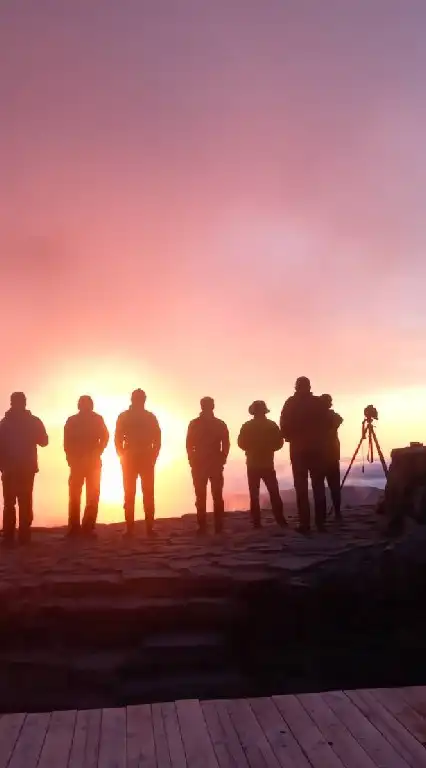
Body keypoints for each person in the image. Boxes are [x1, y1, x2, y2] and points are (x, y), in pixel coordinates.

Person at [280, 377, 327, 533]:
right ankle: (321, 523)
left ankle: (305, 524)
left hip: (298, 450)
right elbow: (328, 423)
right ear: (309, 387)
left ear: (296, 387)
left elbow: (284, 425)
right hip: (317, 449)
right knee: (318, 486)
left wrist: (291, 437)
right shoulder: (318, 403)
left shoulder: (291, 403)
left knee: (301, 487)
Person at [0, 392, 48, 545]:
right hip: (23, 468)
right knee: (23, 501)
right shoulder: (32, 421)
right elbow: (44, 441)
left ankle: (10, 536)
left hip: (12, 468)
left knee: (11, 502)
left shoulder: (4, 424)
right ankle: (23, 536)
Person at [115, 389, 161, 536]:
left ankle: (148, 527)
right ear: (133, 400)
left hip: (144, 456)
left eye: (142, 398)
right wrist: (122, 455)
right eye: (138, 398)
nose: (140, 401)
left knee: (147, 493)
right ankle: (130, 528)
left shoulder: (149, 417)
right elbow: (117, 438)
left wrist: (153, 455)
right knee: (130, 493)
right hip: (131, 457)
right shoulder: (125, 417)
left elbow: (157, 438)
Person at [64, 395, 109, 537]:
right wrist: (70, 458)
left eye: (86, 404)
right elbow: (67, 442)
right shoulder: (72, 421)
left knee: (91, 495)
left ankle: (87, 527)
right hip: (79, 462)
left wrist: (98, 450)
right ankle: (75, 527)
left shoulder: (97, 419)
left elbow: (105, 437)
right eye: (83, 404)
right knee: (77, 496)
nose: (85, 406)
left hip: (92, 462)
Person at [237, 400, 287, 529]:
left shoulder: (247, 426)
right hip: (267, 463)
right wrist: (269, 448)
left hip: (253, 463)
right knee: (274, 493)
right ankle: (280, 520)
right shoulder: (271, 425)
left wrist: (252, 448)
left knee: (254, 494)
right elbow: (279, 443)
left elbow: (241, 443)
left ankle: (256, 522)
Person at [186, 397, 230, 534]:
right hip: (212, 463)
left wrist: (192, 459)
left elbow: (189, 444)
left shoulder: (194, 424)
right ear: (212, 406)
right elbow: (226, 443)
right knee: (216, 495)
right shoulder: (219, 424)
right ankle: (217, 526)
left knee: (202, 496)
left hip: (201, 463)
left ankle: (203, 526)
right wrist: (222, 458)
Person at [319, 394, 343, 520]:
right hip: (332, 455)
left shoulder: (315, 418)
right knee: (334, 486)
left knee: (319, 487)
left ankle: (321, 515)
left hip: (318, 456)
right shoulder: (333, 416)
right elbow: (340, 419)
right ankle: (337, 513)